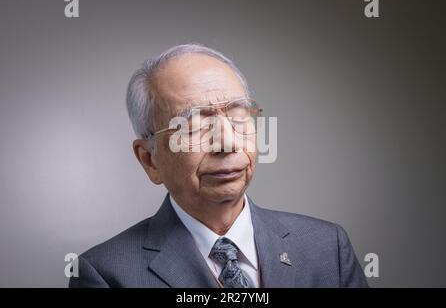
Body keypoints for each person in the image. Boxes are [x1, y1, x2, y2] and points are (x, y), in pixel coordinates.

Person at [69, 44, 368, 288]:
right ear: (150, 159)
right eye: (195, 126)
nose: (226, 143)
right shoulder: (106, 274)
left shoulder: (328, 249)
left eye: (239, 115)